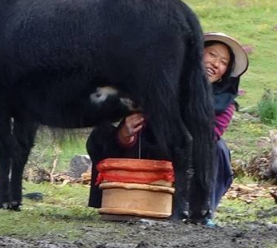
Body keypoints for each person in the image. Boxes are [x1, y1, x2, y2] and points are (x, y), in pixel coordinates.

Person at [86, 32, 249, 218]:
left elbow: (204, 139)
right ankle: (116, 199)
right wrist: (125, 134)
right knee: (101, 134)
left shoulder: (223, 105)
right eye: (212, 54)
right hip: (148, 152)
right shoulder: (161, 83)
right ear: (195, 55)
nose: (216, 63)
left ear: (223, 75)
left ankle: (200, 211)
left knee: (218, 149)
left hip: (188, 160)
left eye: (224, 62)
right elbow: (136, 125)